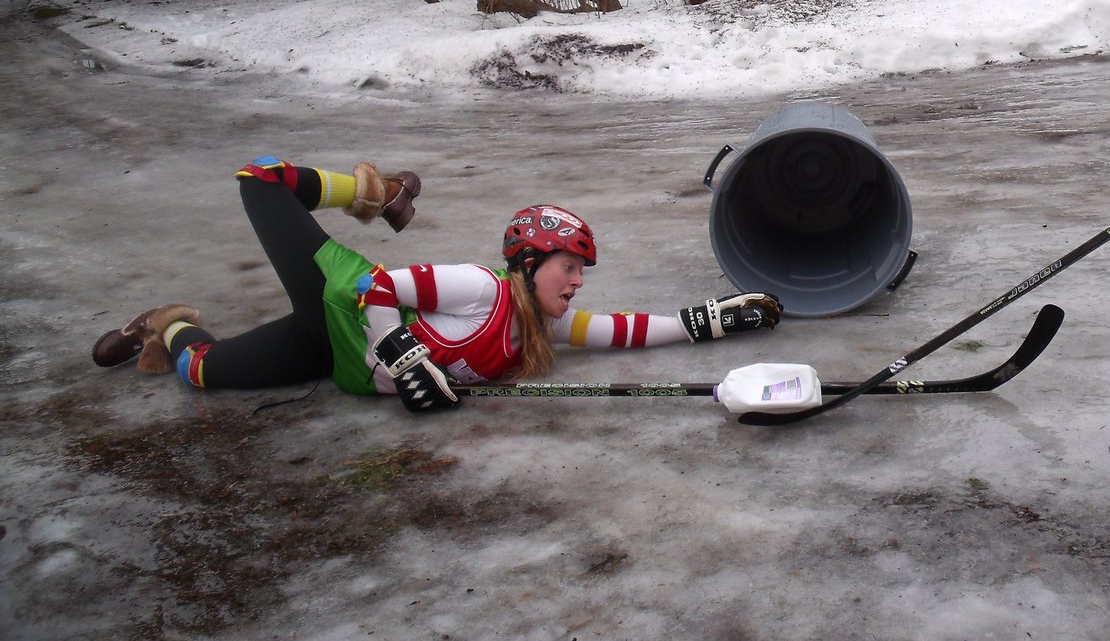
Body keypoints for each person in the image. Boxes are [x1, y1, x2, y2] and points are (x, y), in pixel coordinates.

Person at [92, 156, 784, 411]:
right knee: (261, 179)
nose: (578, 282)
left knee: (200, 370)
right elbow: (382, 290)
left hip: (335, 361)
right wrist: (401, 352)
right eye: (569, 266)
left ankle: (161, 321)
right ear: (529, 264)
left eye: (581, 271)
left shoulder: (538, 326)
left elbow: (622, 331)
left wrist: (709, 320)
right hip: (335, 292)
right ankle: (373, 188)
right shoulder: (482, 288)